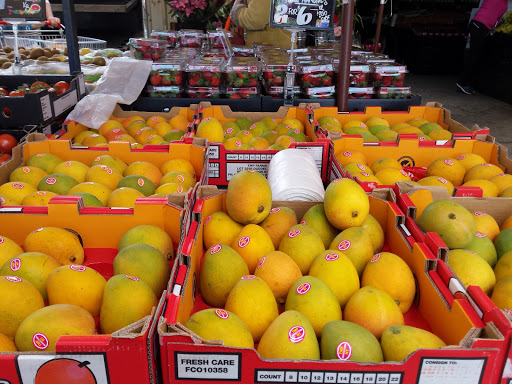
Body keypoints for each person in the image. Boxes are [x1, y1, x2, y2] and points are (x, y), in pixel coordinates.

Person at [456, 0, 508, 94]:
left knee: (475, 54)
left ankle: (468, 82)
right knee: (474, 55)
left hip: (475, 23)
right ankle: (462, 82)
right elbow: (496, 22)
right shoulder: (504, 5)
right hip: (482, 27)